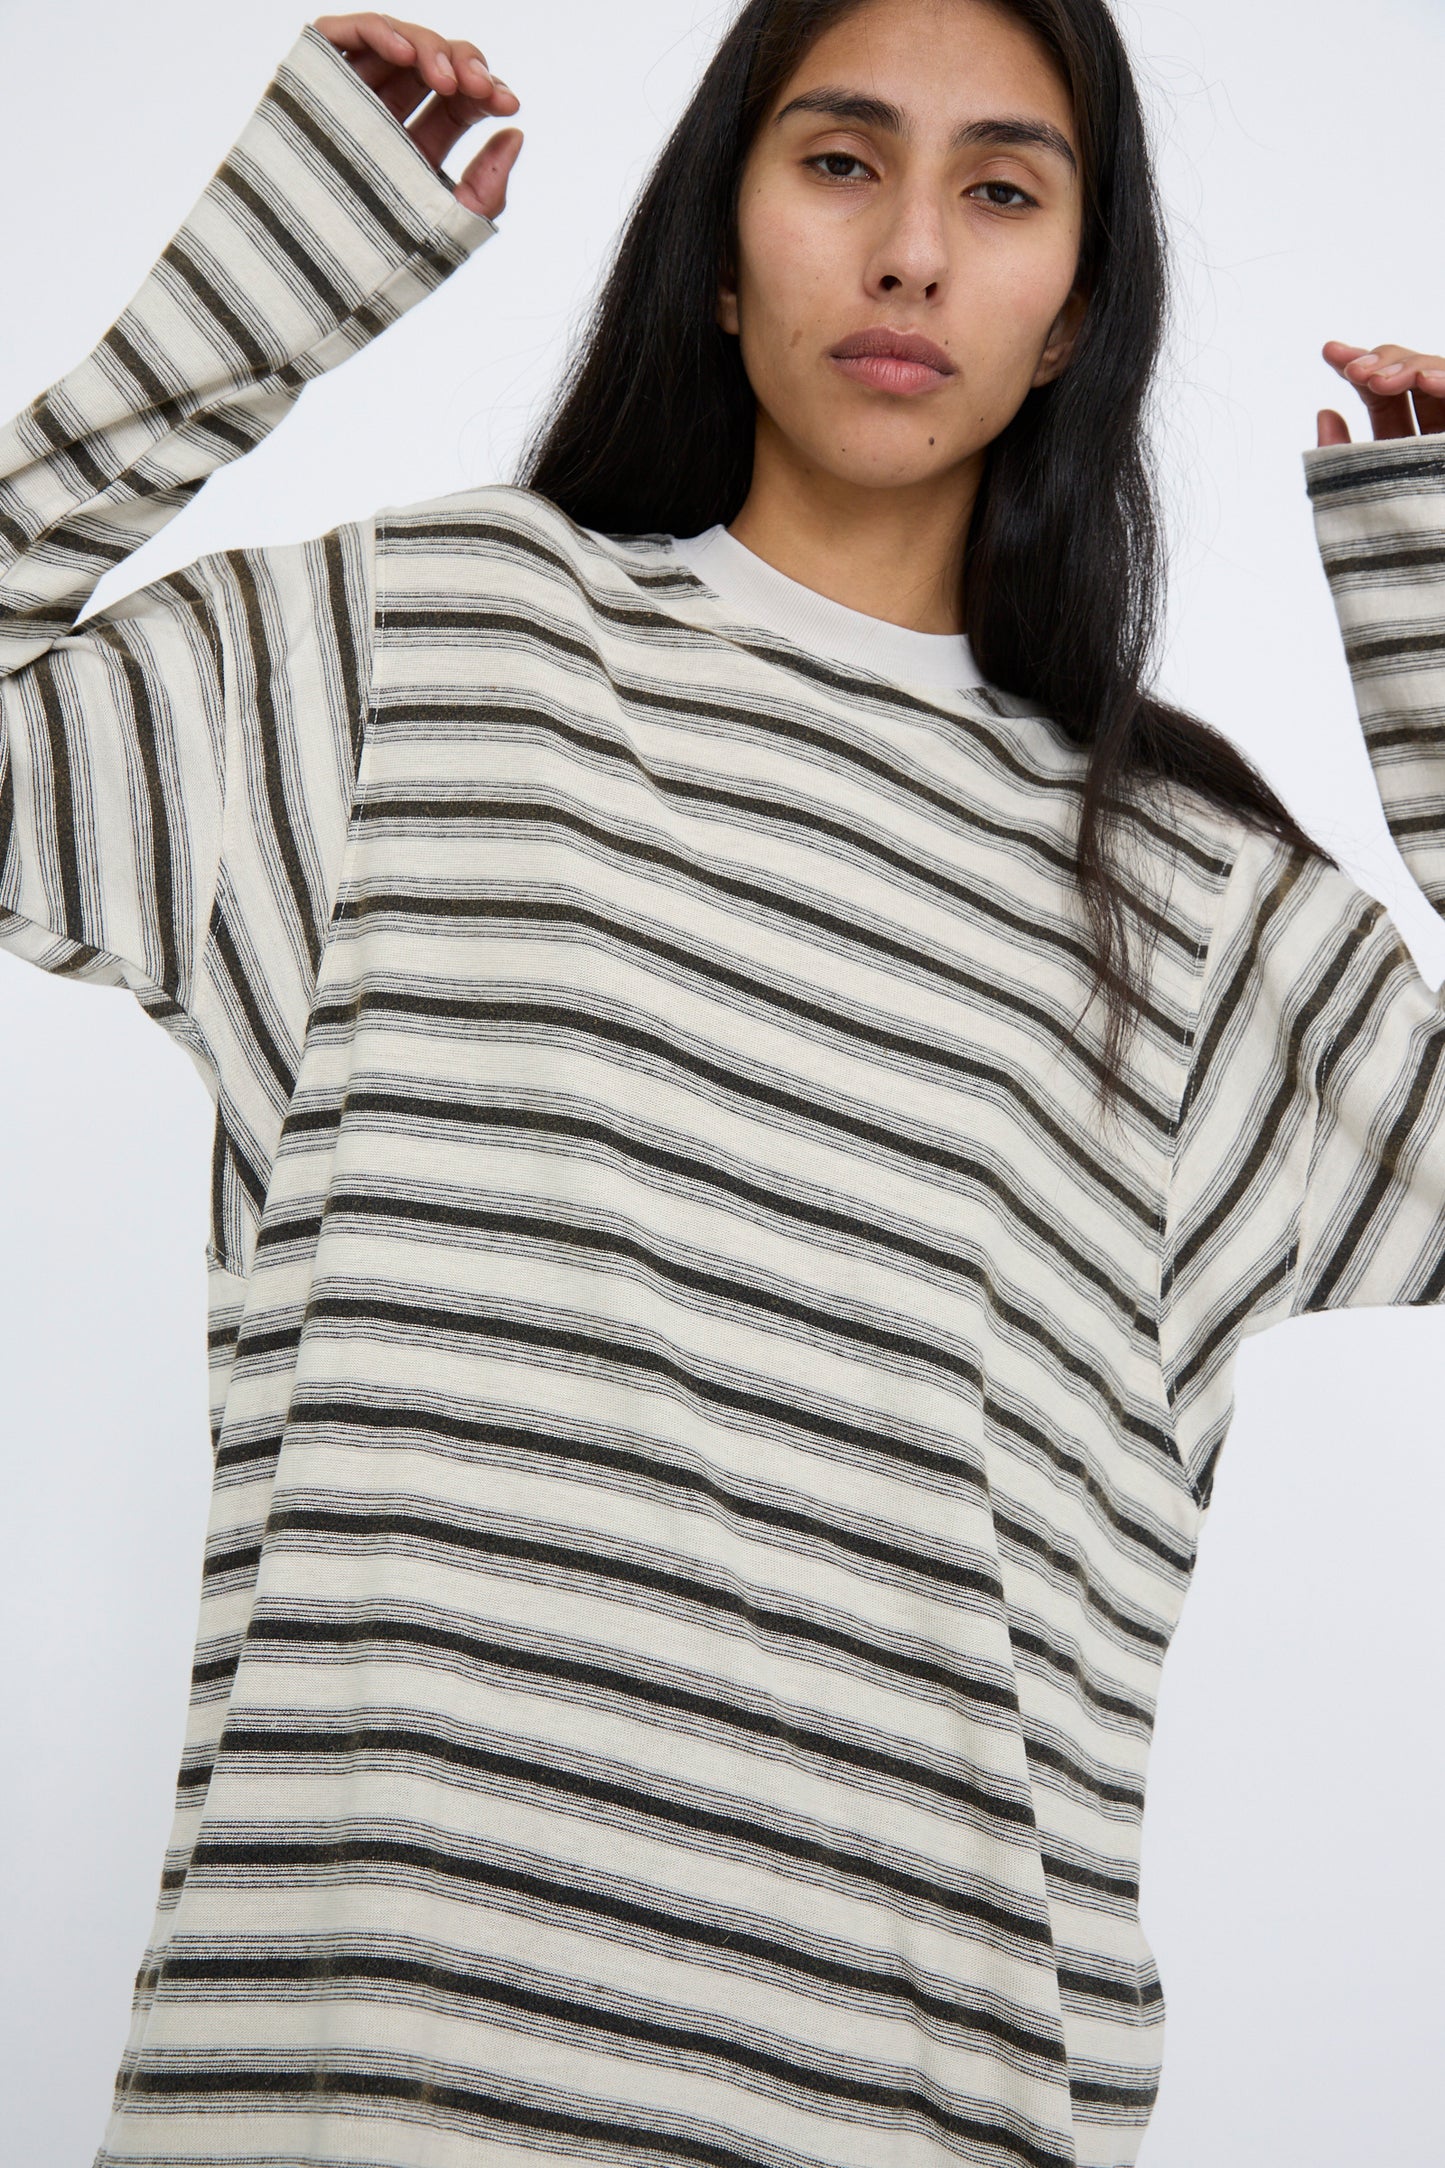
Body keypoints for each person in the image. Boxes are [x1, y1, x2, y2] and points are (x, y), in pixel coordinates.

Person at [2, 3, 1440, 2163]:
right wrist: (264, 291)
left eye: (1004, 190)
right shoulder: (423, 658)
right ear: (719, 238)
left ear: (1074, 313)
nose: (914, 254)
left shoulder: (1199, 908)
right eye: (841, 162)